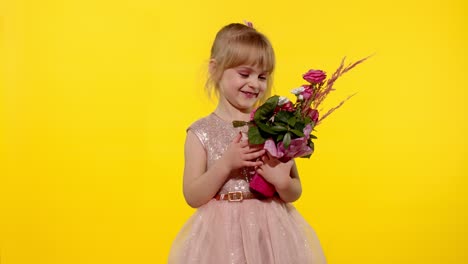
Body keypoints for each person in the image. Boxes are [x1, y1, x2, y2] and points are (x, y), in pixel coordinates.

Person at [168, 22, 327, 264]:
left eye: (262, 76)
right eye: (244, 74)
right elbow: (192, 195)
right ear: (215, 69)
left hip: (270, 234)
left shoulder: (275, 126)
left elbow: (295, 191)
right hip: (222, 238)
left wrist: (282, 182)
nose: (254, 83)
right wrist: (226, 164)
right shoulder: (201, 132)